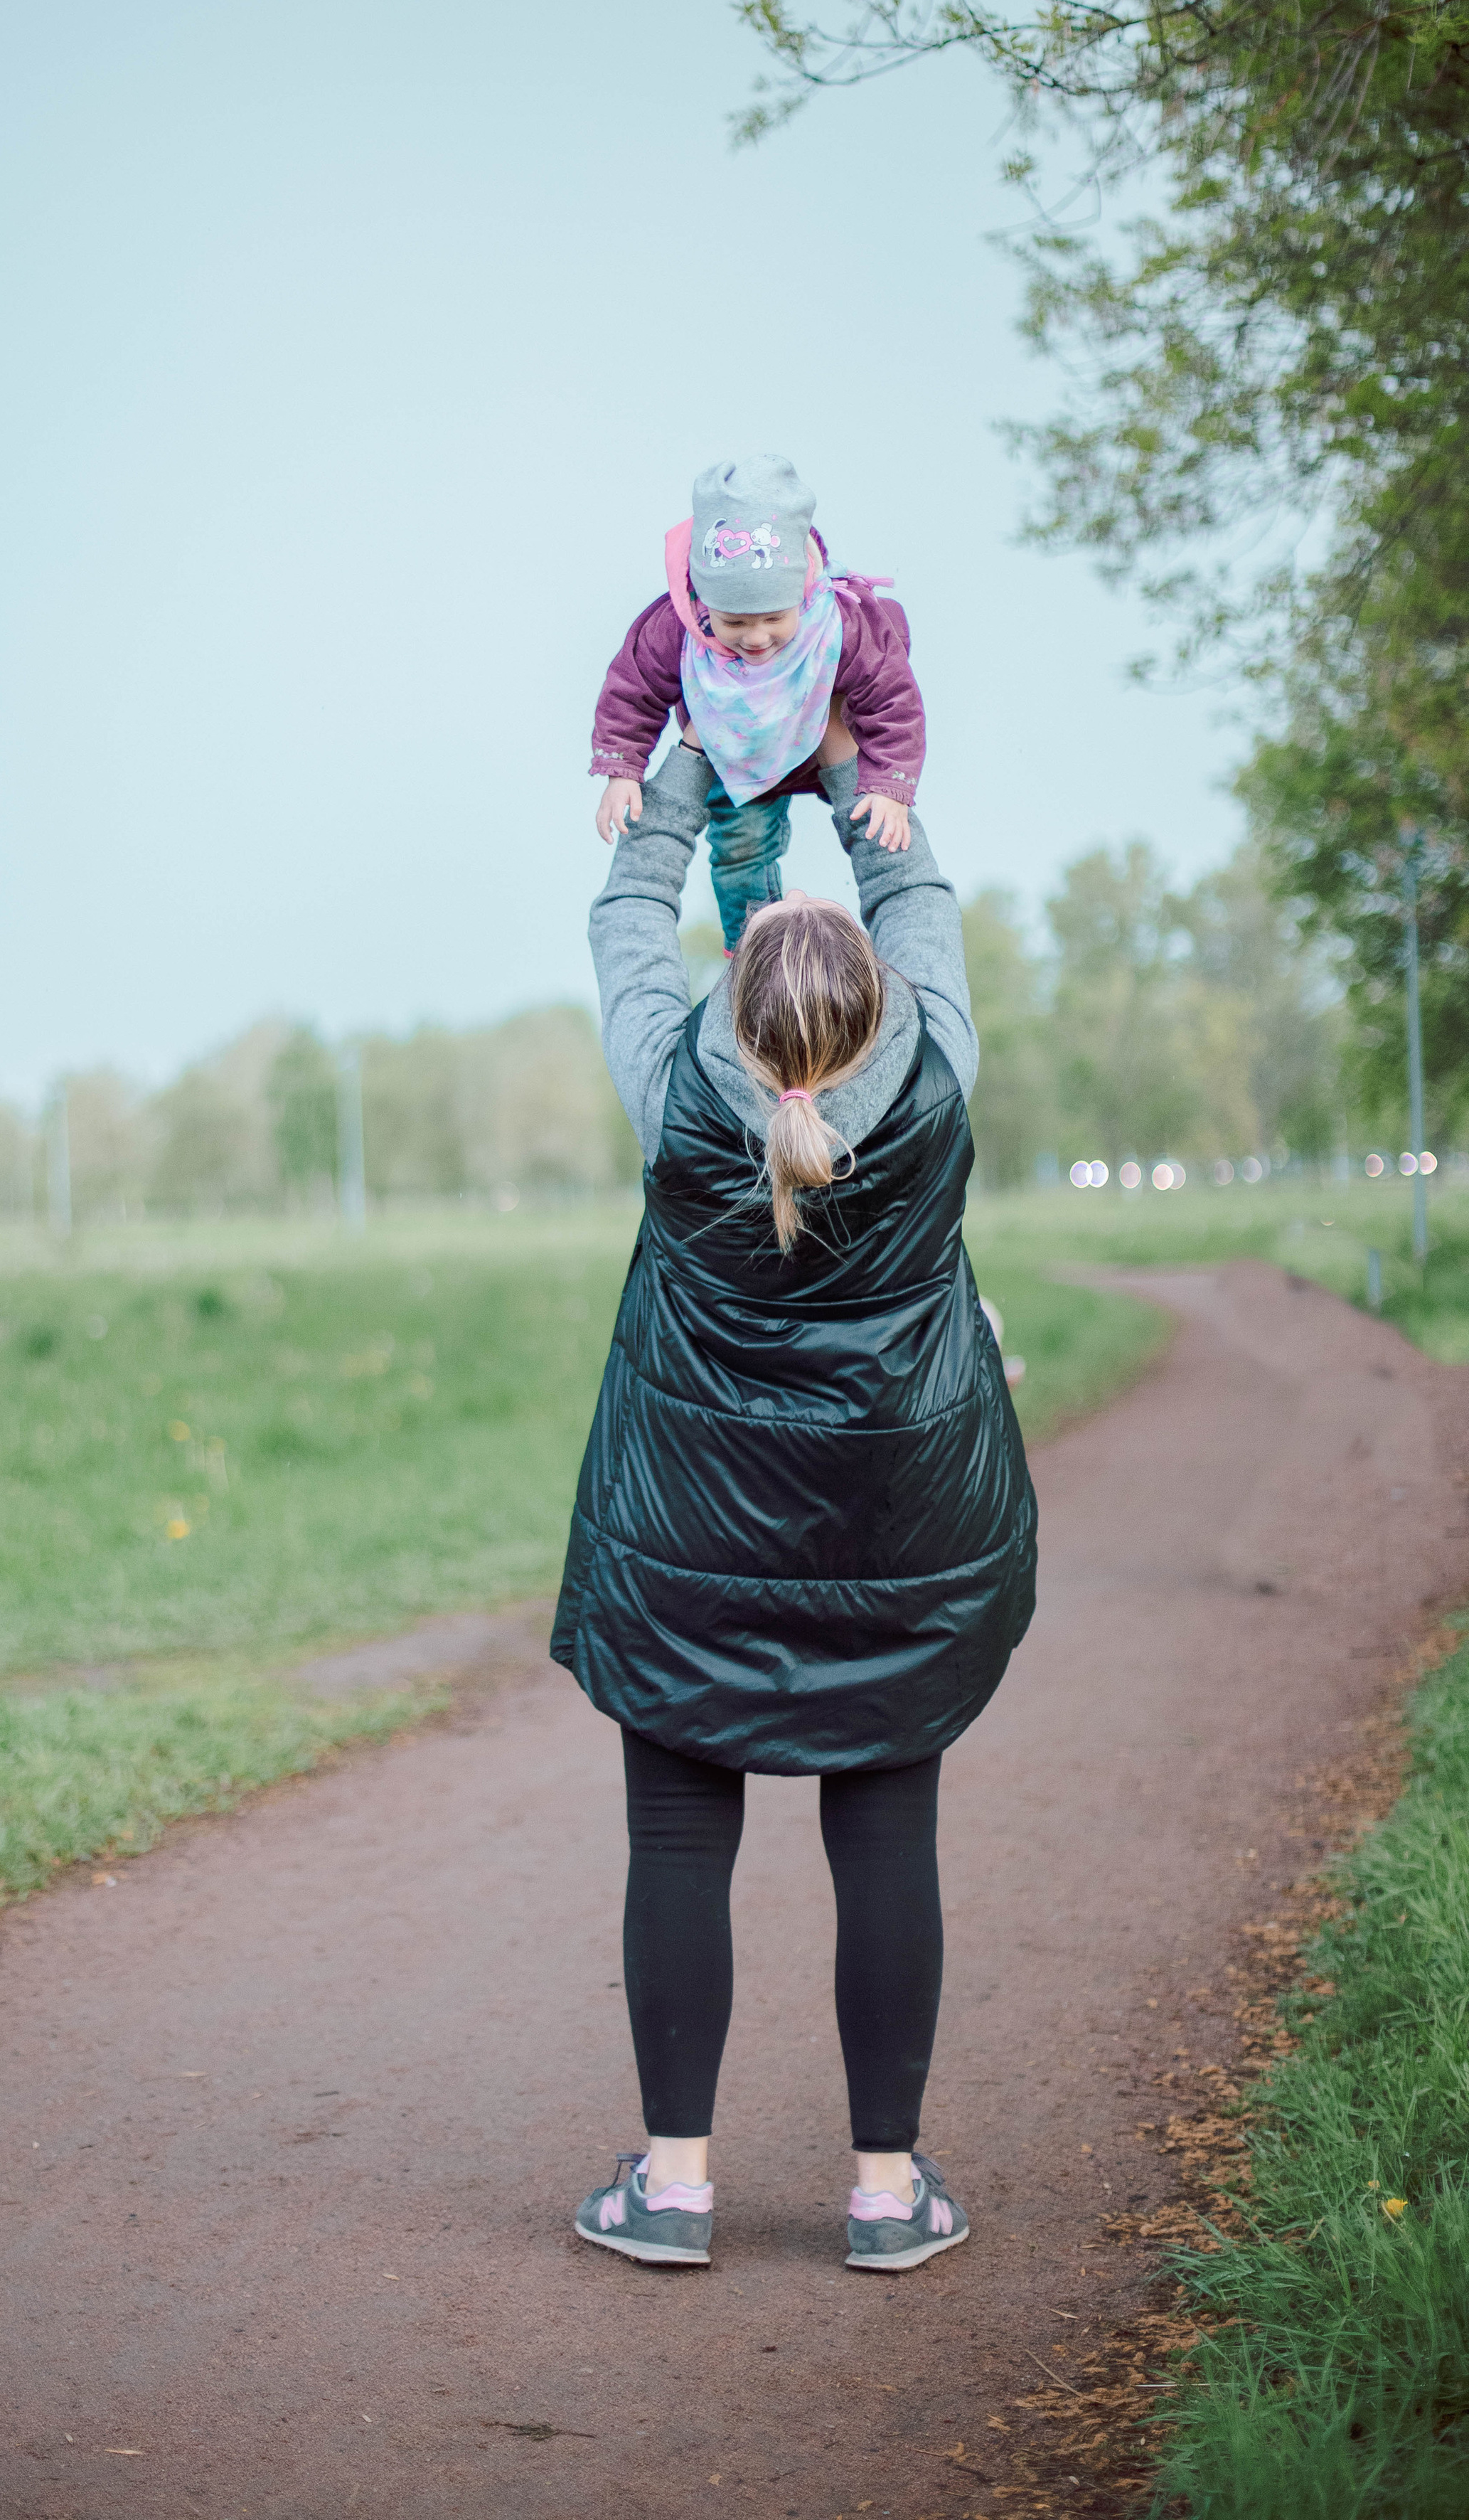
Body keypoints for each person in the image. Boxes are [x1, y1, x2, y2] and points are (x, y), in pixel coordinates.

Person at [553, 718, 1036, 2273]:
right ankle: (885, 2199)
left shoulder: (668, 1083)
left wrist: (691, 769)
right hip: (897, 1541)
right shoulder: (936, 1073)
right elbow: (918, 899)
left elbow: (631, 917)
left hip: (687, 1540)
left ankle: (674, 2190)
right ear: (879, 1007)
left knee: (677, 1848)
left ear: (736, 1005)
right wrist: (845, 765)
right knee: (886, 1844)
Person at [589, 456, 926, 953]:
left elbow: (891, 697)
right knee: (738, 852)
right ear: (703, 601)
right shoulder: (674, 629)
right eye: (735, 622)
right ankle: (754, 953)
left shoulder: (839, 622)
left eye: (773, 618)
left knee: (879, 828)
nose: (757, 637)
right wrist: (623, 770)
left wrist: (892, 785)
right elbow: (632, 691)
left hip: (824, 741)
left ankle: (897, 929)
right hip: (734, 756)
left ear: (801, 592)